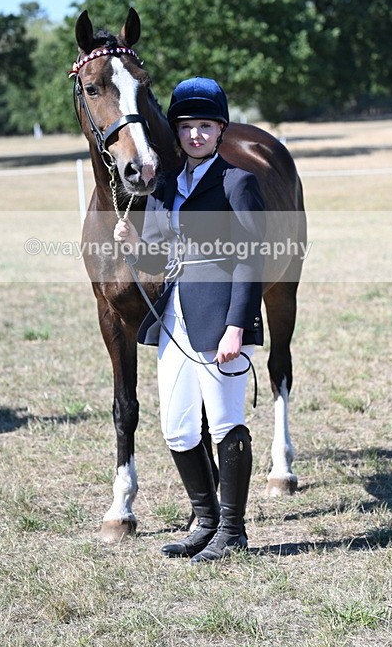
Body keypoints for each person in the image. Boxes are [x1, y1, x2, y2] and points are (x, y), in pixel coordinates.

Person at [114, 77, 265, 563]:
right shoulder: (166, 188)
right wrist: (134, 244)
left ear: (220, 130)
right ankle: (203, 522)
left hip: (220, 317)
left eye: (205, 126)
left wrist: (237, 326)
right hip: (173, 320)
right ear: (175, 132)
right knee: (178, 427)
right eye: (187, 126)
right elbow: (160, 255)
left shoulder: (238, 182)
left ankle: (233, 530)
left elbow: (252, 258)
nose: (195, 135)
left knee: (224, 422)